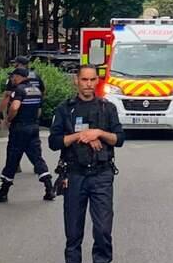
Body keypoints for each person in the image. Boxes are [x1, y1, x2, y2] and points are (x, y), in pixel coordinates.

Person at [48, 65, 125, 263]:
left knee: (102, 231)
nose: (88, 84)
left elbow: (119, 139)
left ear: (97, 81)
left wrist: (98, 133)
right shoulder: (65, 109)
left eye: (92, 80)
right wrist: (80, 136)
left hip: (101, 175)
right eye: (84, 80)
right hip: (74, 175)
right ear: (77, 80)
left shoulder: (107, 108)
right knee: (73, 233)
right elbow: (54, 142)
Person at [0, 67, 55, 202]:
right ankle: (49, 188)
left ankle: (3, 192)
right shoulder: (36, 90)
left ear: (18, 77)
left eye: (13, 77)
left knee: (12, 158)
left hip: (19, 129)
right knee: (37, 158)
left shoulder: (19, 90)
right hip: (33, 128)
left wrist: (8, 119)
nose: (12, 79)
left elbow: (14, 107)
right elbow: (39, 109)